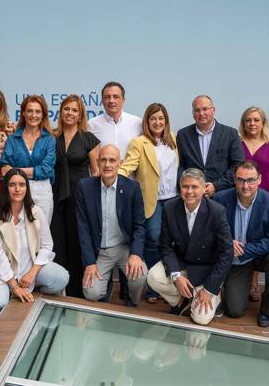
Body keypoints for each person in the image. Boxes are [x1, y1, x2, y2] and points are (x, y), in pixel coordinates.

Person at [0, 169, 69, 322]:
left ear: (27, 188)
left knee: (61, 278)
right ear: (5, 188)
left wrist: (32, 273)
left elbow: (47, 245)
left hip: (29, 267)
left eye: (22, 185)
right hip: (2, 272)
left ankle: (29, 293)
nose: (17, 189)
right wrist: (14, 286)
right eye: (12, 185)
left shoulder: (36, 212)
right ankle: (10, 294)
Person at [147, 168, 233, 326]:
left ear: (203, 188)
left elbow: (227, 253)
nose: (189, 191)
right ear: (180, 189)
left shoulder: (217, 211)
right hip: (182, 264)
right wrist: (176, 276)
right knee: (153, 277)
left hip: (205, 270)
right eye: (185, 187)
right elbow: (165, 245)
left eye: (194, 187)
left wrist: (209, 289)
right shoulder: (170, 208)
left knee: (201, 319)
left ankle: (214, 295)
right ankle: (182, 299)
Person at [119, 103, 179, 303]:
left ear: (166, 120)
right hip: (152, 200)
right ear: (147, 121)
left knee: (172, 241)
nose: (157, 122)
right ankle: (153, 287)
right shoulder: (139, 142)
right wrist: (112, 177)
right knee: (153, 240)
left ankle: (169, 282)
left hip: (175, 199)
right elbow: (129, 166)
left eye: (161, 118)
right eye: (153, 118)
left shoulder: (174, 140)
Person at [214, 161, 269, 327]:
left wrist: (244, 249)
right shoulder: (220, 199)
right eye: (240, 180)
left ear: (259, 180)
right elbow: (210, 231)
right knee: (234, 311)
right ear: (234, 179)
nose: (245, 186)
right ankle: (231, 293)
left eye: (250, 180)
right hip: (236, 259)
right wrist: (227, 243)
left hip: (260, 256)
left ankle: (267, 311)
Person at [76, 145, 148, 306]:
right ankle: (104, 292)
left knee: (140, 276)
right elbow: (83, 228)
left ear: (120, 163)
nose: (107, 165)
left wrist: (136, 254)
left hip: (124, 248)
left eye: (112, 160)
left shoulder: (132, 187)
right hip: (99, 251)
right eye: (103, 160)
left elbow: (139, 226)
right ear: (97, 162)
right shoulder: (84, 187)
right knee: (91, 292)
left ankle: (132, 301)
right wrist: (89, 262)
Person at [51, 94, 100, 298]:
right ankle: (58, 288)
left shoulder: (89, 139)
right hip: (54, 195)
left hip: (79, 196)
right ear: (60, 112)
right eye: (66, 109)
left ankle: (77, 292)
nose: (70, 113)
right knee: (57, 241)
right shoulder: (51, 136)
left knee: (76, 240)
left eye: (74, 110)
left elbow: (96, 172)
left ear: (80, 115)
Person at [238, 106, 269, 302]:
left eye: (256, 120)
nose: (252, 123)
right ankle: (244, 279)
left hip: (264, 201)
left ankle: (256, 281)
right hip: (242, 198)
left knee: (260, 239)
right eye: (248, 120)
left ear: (263, 122)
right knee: (243, 236)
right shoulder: (237, 143)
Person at [0, 95, 56, 224]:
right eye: (30, 111)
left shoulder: (49, 139)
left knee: (41, 233)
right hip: (17, 189)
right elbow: (4, 168)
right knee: (18, 232)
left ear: (43, 115)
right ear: (23, 113)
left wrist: (15, 170)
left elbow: (46, 170)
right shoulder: (13, 139)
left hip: (42, 190)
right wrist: (32, 171)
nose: (33, 115)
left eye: (38, 111)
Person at [177, 95, 244, 198]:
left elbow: (237, 165)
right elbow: (180, 165)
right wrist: (186, 186)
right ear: (193, 114)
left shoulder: (230, 134)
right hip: (192, 196)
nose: (201, 113)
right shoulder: (183, 135)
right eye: (197, 110)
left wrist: (216, 186)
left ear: (213, 110)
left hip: (222, 195)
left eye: (205, 109)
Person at [88, 81, 142, 159]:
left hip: (131, 171)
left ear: (123, 100)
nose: (111, 101)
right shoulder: (91, 125)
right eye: (107, 97)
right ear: (102, 101)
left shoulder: (137, 123)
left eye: (115, 97)